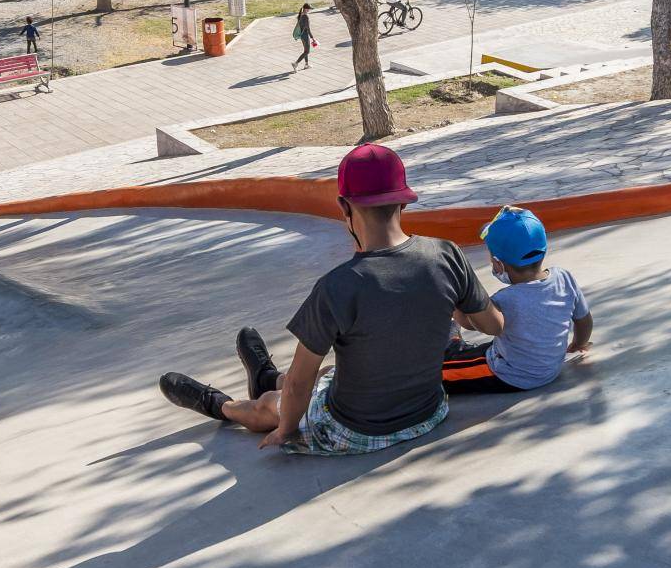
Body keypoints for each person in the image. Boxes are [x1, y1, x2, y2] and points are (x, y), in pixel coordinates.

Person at [159, 143, 504, 455]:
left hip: (359, 431)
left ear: (344, 206)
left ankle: (220, 404)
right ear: (404, 199)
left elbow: (299, 384)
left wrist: (287, 431)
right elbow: (493, 325)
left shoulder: (338, 286)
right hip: (429, 413)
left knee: (274, 403)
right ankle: (264, 374)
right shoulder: (447, 255)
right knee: (335, 370)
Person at [441, 206, 593, 394]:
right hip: (550, 367)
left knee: (437, 373)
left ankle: (451, 340)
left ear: (498, 264)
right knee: (471, 351)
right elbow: (584, 320)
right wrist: (579, 342)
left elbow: (471, 322)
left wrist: (454, 299)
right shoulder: (564, 278)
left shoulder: (504, 300)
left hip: (510, 375)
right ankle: (452, 339)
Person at [292, 3, 315, 71]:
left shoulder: (300, 15)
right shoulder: (305, 16)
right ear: (305, 9)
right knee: (307, 51)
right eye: (309, 9)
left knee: (305, 50)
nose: (309, 10)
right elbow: (307, 28)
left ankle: (306, 64)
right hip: (305, 35)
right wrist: (312, 38)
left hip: (301, 35)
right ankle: (296, 63)